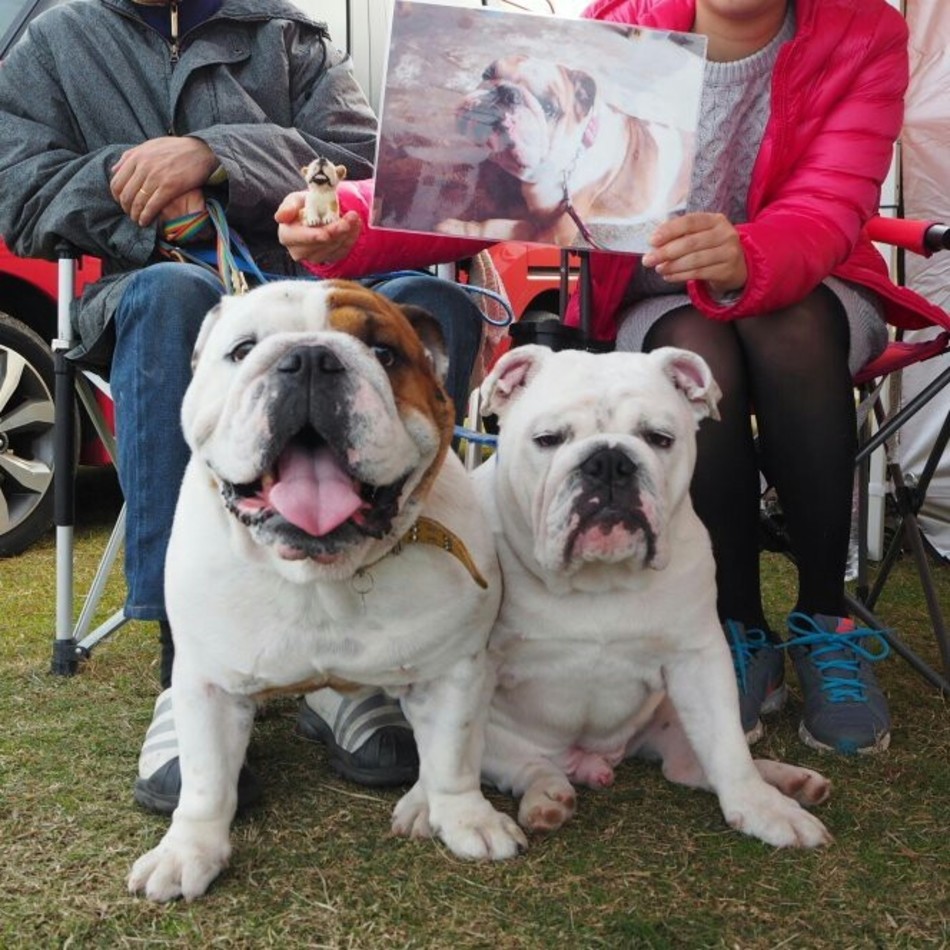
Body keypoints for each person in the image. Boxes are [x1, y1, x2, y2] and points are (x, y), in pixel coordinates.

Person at [276, 0, 950, 774]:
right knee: (698, 345)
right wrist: (355, 223)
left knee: (785, 329)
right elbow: (474, 187)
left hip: (812, 284)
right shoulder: (621, 22)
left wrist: (750, 254)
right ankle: (734, 627)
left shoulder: (863, 30)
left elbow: (834, 201)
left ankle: (824, 621)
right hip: (655, 294)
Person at [0, 0, 484, 813]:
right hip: (151, 284)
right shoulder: (53, 40)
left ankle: (361, 665)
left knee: (438, 302)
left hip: (317, 286)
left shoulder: (289, 36)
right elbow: (17, 186)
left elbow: (363, 160)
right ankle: (183, 672)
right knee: (171, 295)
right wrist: (138, 191)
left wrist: (216, 159)